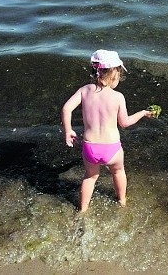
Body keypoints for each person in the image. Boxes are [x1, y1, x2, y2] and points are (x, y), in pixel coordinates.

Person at [61, 49, 154, 213]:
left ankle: (82, 209)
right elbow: (124, 123)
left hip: (90, 147)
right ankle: (122, 201)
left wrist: (68, 130)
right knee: (118, 172)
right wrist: (142, 113)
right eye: (118, 73)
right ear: (113, 73)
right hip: (111, 148)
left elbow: (66, 108)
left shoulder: (85, 90)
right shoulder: (118, 97)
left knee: (90, 177)